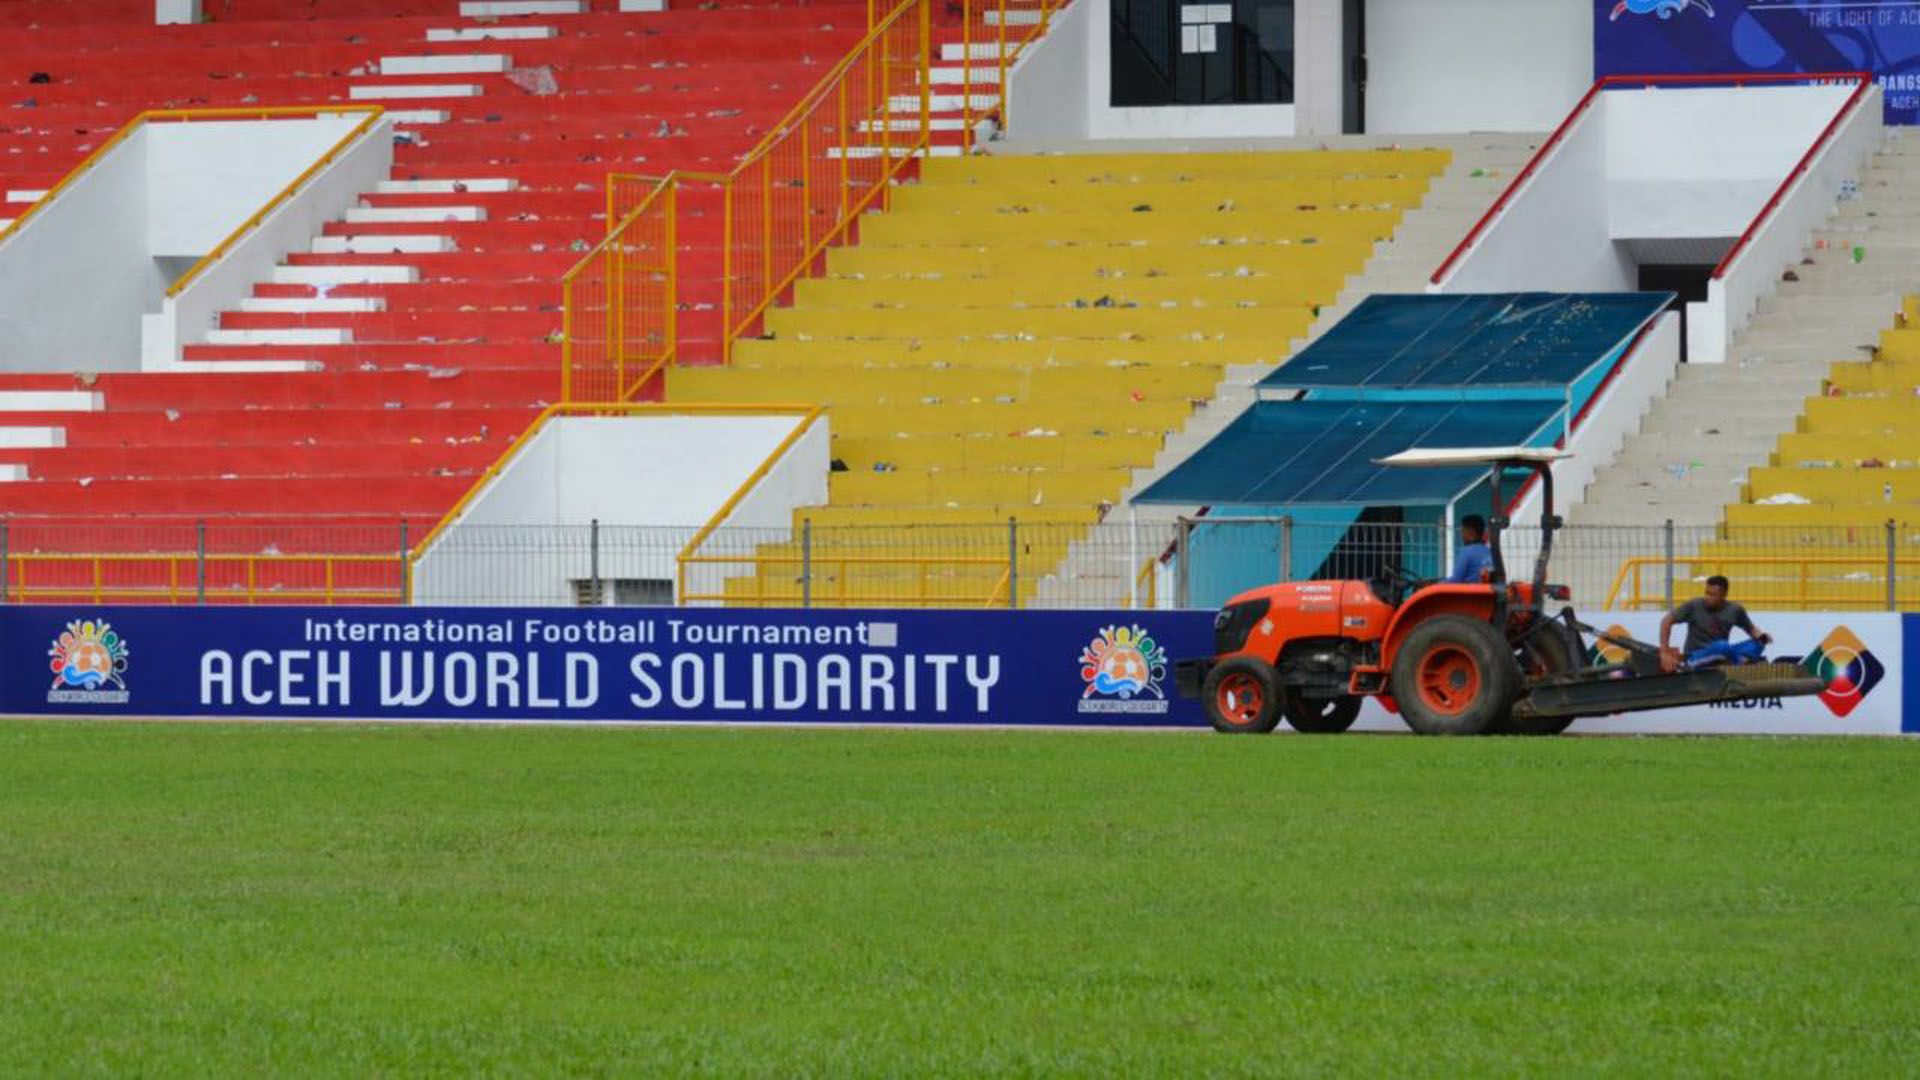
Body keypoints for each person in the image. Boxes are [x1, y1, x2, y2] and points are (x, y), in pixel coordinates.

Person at [1658, 575, 1772, 671]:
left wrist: (1762, 637)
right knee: (1722, 646)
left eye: (1713, 595)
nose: (1708, 597)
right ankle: (1740, 663)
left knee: (1759, 642)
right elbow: (1666, 621)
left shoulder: (1735, 610)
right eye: (1707, 593)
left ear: (1724, 595)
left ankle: (1735, 662)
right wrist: (1664, 652)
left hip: (1723, 655)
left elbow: (1751, 629)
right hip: (1697, 656)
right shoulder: (1694, 605)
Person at [1445, 514, 1493, 584]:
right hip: (1486, 590)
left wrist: (1435, 585)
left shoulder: (1467, 552)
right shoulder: (1490, 552)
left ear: (1471, 533)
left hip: (1470, 590)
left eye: (1463, 531)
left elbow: (1456, 580)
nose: (1462, 535)